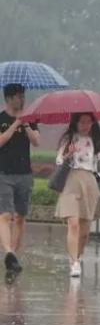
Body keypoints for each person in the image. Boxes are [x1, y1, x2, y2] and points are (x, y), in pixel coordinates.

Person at [55, 113, 100, 277]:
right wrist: (68, 154)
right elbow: (59, 161)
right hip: (71, 181)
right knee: (73, 223)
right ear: (75, 123)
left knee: (84, 230)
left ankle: (77, 256)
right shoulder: (68, 139)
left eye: (88, 122)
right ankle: (74, 262)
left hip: (89, 181)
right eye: (82, 122)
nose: (85, 125)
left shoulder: (95, 141)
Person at [0, 84, 40, 275]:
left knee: (21, 216)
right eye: (18, 96)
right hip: (3, 174)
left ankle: (13, 256)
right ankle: (8, 251)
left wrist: (24, 123)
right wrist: (15, 124)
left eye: (23, 96)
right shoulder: (1, 118)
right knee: (5, 215)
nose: (22, 99)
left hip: (24, 173)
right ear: (8, 98)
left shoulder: (30, 118)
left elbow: (36, 141)